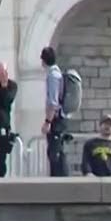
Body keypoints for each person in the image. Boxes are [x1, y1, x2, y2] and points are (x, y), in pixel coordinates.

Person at [41, 46, 69, 177]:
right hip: (59, 119)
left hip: (56, 120)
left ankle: (59, 179)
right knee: (57, 151)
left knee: (54, 152)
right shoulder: (57, 73)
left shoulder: (53, 76)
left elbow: (53, 102)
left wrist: (47, 122)